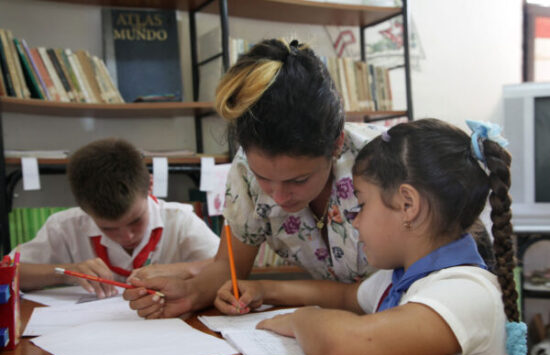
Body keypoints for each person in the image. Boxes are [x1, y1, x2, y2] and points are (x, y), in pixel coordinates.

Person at [214, 118, 527, 355]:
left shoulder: (464, 291)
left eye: (361, 205)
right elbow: (345, 296)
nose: (357, 221)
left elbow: (346, 347)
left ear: (408, 205)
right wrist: (263, 290)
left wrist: (299, 320)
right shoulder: (400, 278)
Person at [123, 38, 384, 318]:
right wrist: (191, 293)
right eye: (264, 178)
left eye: (298, 180)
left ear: (336, 144)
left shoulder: (387, 163)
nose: (279, 197)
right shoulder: (245, 171)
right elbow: (229, 267)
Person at [15, 138, 219, 298]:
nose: (126, 235)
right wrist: (67, 272)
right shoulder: (64, 226)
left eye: (136, 221)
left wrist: (182, 270)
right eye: (108, 228)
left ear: (149, 186)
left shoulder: (180, 220)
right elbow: (8, 273)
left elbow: (231, 265)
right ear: (84, 209)